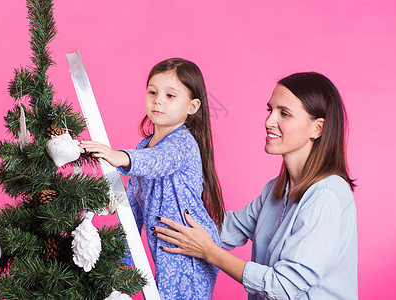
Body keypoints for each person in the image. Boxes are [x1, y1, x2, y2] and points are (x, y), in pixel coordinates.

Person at [153, 72, 358, 299]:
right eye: (270, 110)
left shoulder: (326, 196)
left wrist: (210, 253)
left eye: (285, 114)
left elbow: (282, 286)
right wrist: (158, 209)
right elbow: (220, 230)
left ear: (317, 128)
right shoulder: (276, 191)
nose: (269, 121)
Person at [80, 58, 225, 299]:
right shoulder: (145, 145)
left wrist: (122, 157)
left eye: (170, 95)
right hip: (167, 245)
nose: (158, 100)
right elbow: (135, 203)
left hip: (190, 246)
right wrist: (119, 257)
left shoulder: (183, 143)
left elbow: (160, 160)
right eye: (153, 92)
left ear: (192, 106)